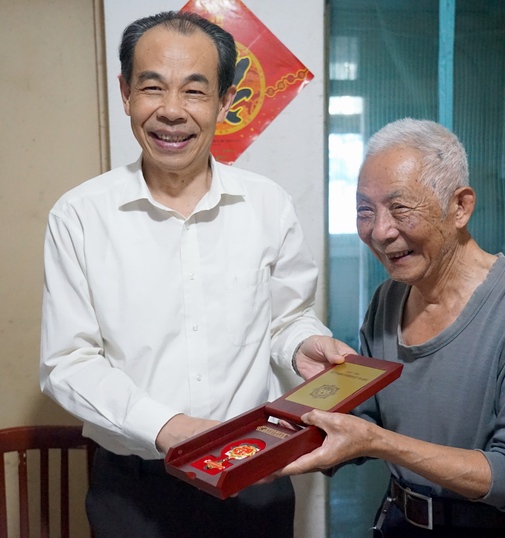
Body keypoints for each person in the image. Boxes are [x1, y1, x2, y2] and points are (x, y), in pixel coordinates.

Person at [39, 11, 352, 538]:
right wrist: (168, 428)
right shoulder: (79, 216)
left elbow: (285, 319)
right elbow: (67, 362)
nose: (171, 111)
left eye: (194, 91)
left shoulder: (268, 205)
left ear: (225, 102)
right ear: (125, 93)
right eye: (152, 87)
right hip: (133, 490)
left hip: (253, 475)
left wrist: (303, 345)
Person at [281, 118, 505, 537]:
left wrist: (379, 442)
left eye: (400, 208)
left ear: (460, 207)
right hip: (399, 522)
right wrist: (277, 438)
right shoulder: (388, 299)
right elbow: (367, 414)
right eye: (365, 211)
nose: (380, 231)